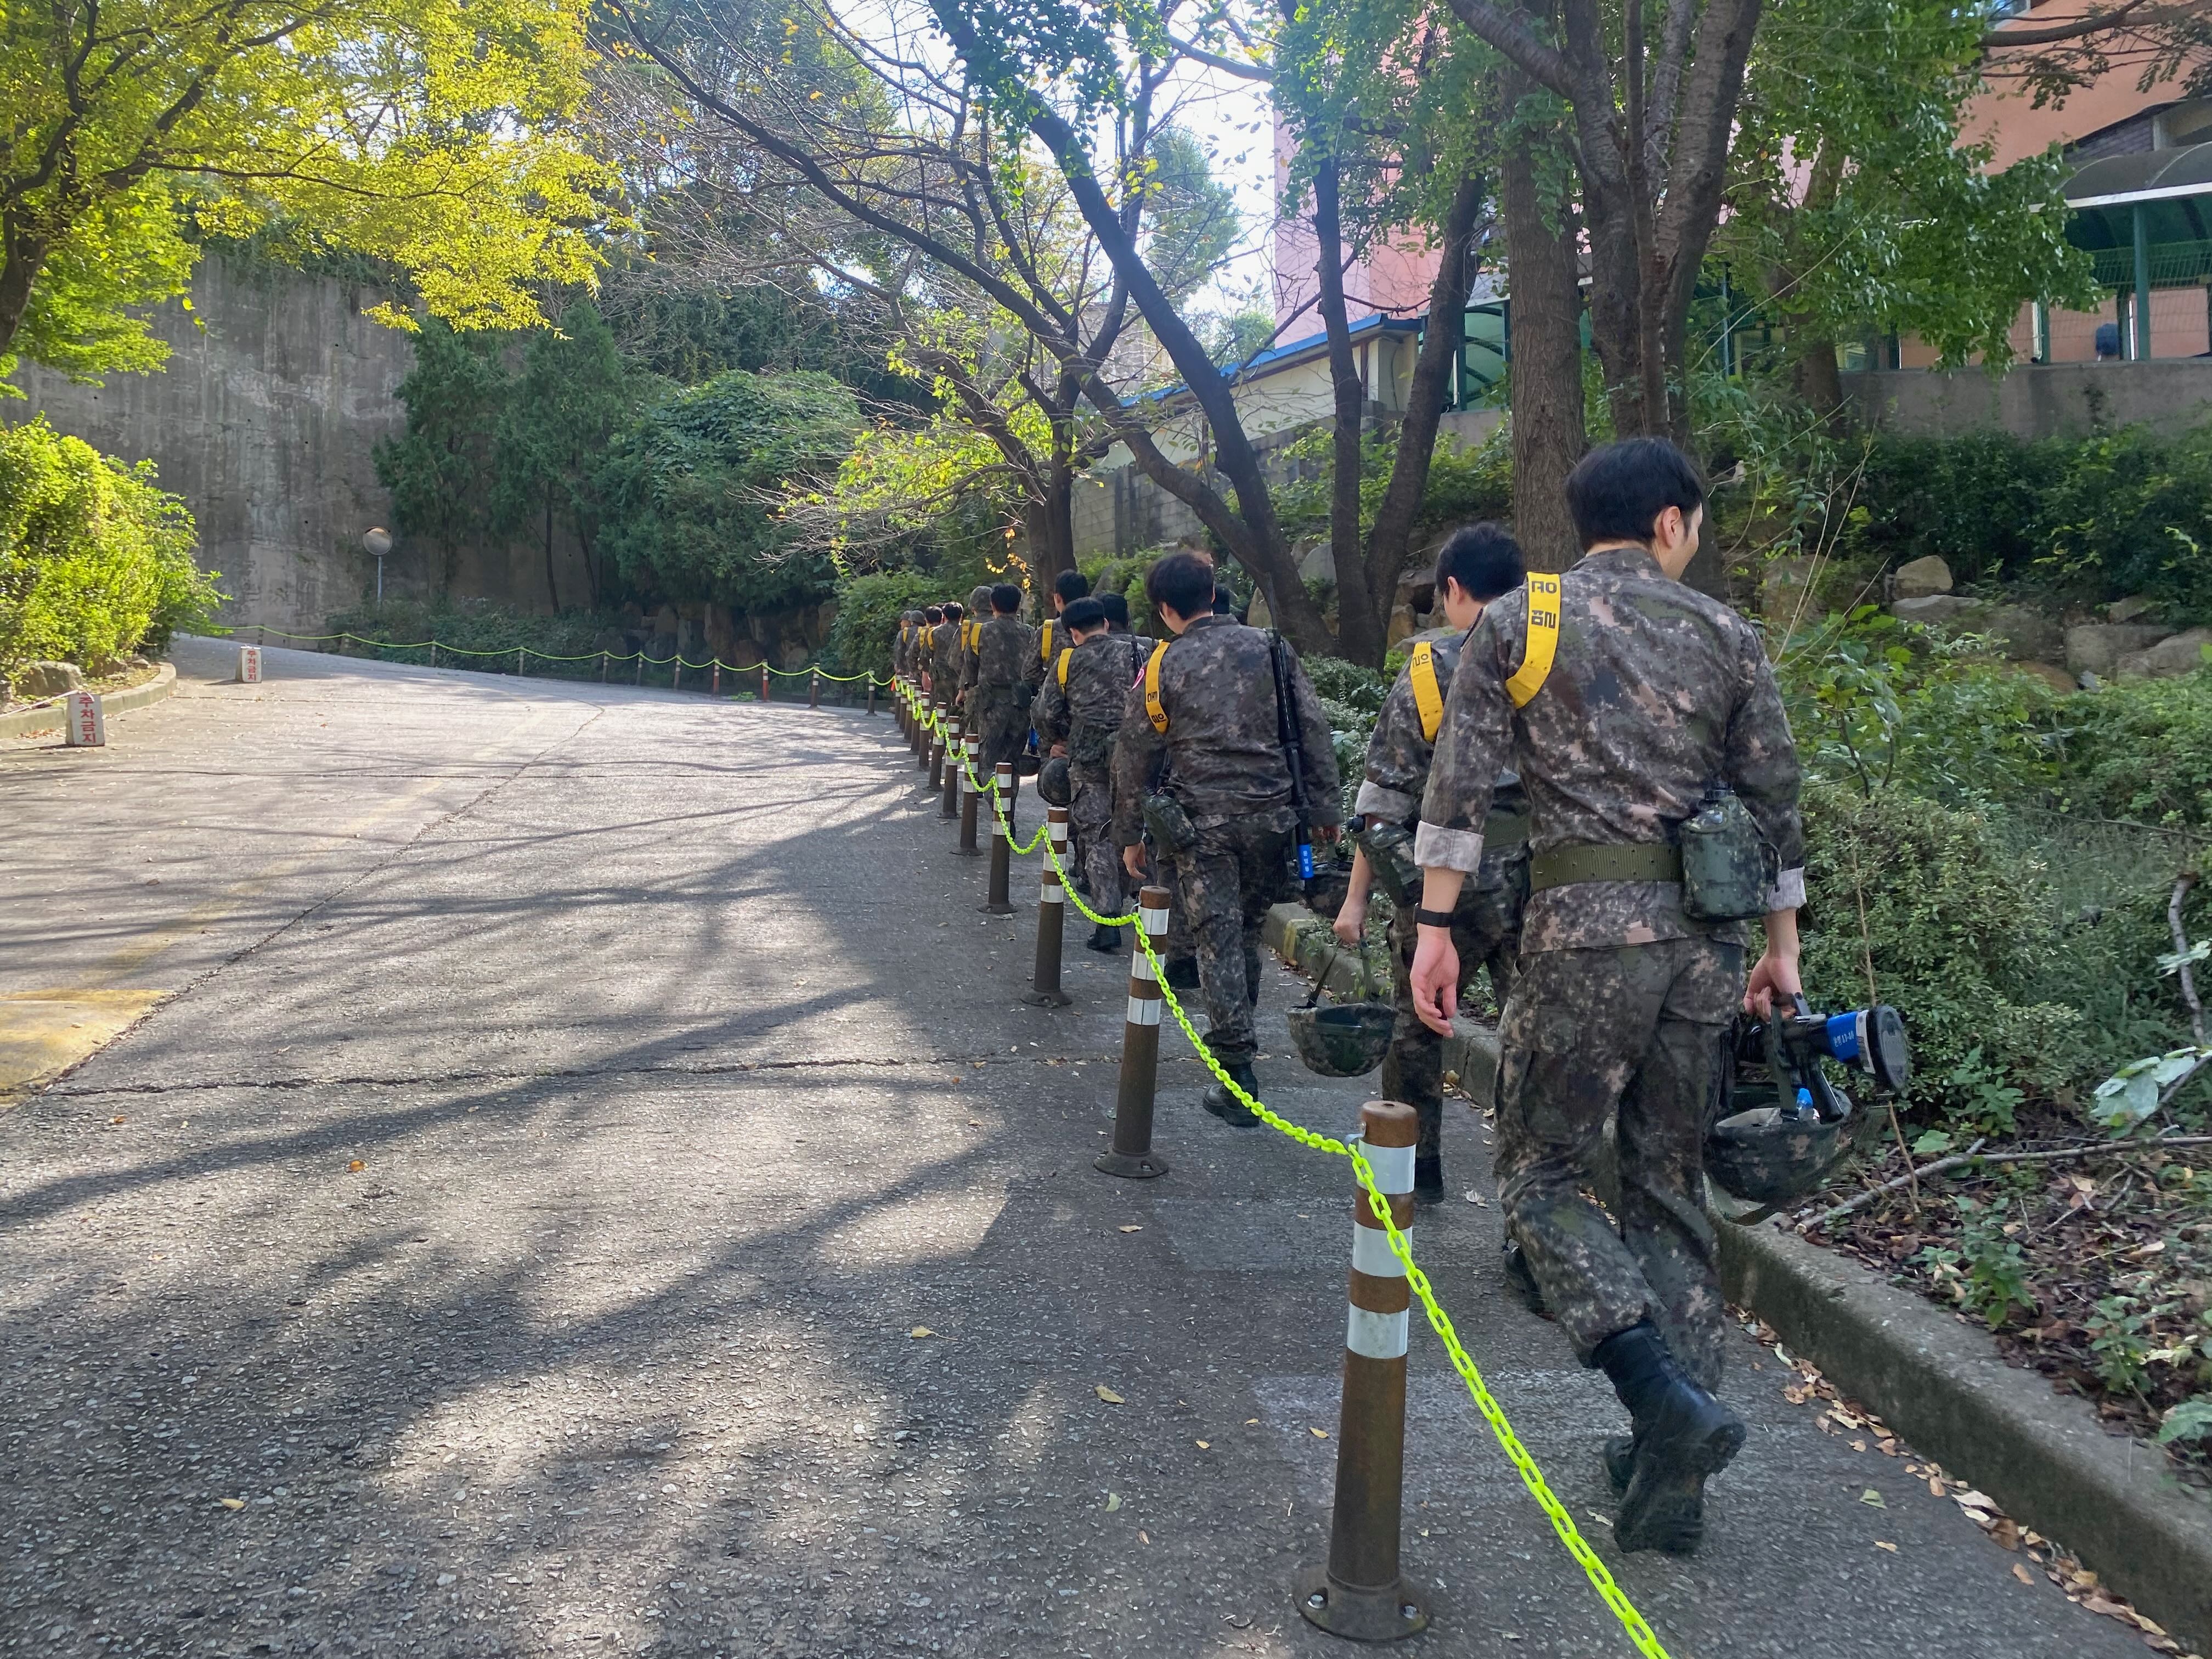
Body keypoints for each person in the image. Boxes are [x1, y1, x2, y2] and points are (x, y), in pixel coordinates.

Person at [1407, 437, 1804, 1556]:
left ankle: (1657, 1400)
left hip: (1582, 939)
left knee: (1540, 1174)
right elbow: (1775, 801)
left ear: (1583, 523)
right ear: (1673, 523)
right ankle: (1669, 1487)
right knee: (1673, 1187)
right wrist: (1783, 949)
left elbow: (1461, 788)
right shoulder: (1731, 635)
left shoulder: (1518, 622)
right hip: (1707, 951)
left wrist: (1436, 928)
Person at [1332, 523, 1529, 1206]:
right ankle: (1534, 1201)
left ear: (1452, 590)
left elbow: (1381, 802)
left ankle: (1414, 1173)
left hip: (1444, 882)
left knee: (1417, 1028)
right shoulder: (1564, 659)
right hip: (1549, 878)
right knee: (1535, 1041)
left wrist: (1366, 900)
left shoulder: (1429, 668)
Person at [1111, 551, 1341, 1122]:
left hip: (1201, 827)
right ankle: (1240, 1050)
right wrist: (1323, 808)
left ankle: (1237, 1073)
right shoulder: (1271, 648)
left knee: (1217, 939)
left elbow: (1134, 752)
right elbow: (1309, 728)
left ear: (1166, 609)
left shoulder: (1163, 666)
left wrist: (1130, 834)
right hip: (1272, 817)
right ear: (1214, 592)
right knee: (1244, 934)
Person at [1034, 596, 1152, 951]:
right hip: (1135, 754)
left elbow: (1045, 712)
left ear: (1072, 632)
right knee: (1139, 827)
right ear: (1105, 621)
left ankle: (1106, 920)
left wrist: (1057, 739)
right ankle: (1148, 909)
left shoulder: (1067, 661)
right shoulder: (1136, 653)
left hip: (1086, 758)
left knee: (1097, 834)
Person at [969, 584, 1033, 778]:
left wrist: (966, 693)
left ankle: (993, 799)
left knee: (988, 759)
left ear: (993, 604)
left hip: (991, 704)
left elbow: (970, 665)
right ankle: (1007, 807)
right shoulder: (1030, 632)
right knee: (1012, 762)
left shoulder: (980, 631)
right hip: (1021, 704)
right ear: (1018, 605)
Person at [1024, 569, 1093, 703]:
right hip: (1095, 700)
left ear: (1058, 598)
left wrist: (1054, 681)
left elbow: (1028, 672)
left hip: (1058, 705)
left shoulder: (1047, 630)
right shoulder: (1099, 625)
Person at [917, 605, 945, 696]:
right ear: (942, 618)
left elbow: (911, 654)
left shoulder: (922, 634)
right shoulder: (955, 631)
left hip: (933, 675)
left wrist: (917, 672)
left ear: (926, 620)